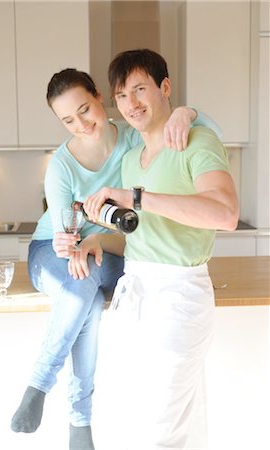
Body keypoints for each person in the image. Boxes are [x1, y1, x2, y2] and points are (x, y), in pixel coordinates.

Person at [10, 67, 222, 450]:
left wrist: (186, 112)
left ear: (99, 98)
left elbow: (207, 131)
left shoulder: (130, 139)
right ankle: (55, 397)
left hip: (107, 248)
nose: (81, 124)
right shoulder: (61, 164)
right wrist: (73, 245)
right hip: (53, 251)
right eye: (68, 120)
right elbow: (65, 230)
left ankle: (75, 418)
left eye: (85, 110)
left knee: (88, 293)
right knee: (82, 294)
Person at [73, 49, 239, 450]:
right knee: (142, 422)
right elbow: (144, 238)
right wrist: (99, 238)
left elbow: (226, 213)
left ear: (165, 88)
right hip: (137, 296)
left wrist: (137, 196)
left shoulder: (197, 140)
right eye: (122, 95)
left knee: (160, 431)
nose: (131, 104)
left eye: (140, 89)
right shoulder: (132, 158)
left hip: (179, 298)